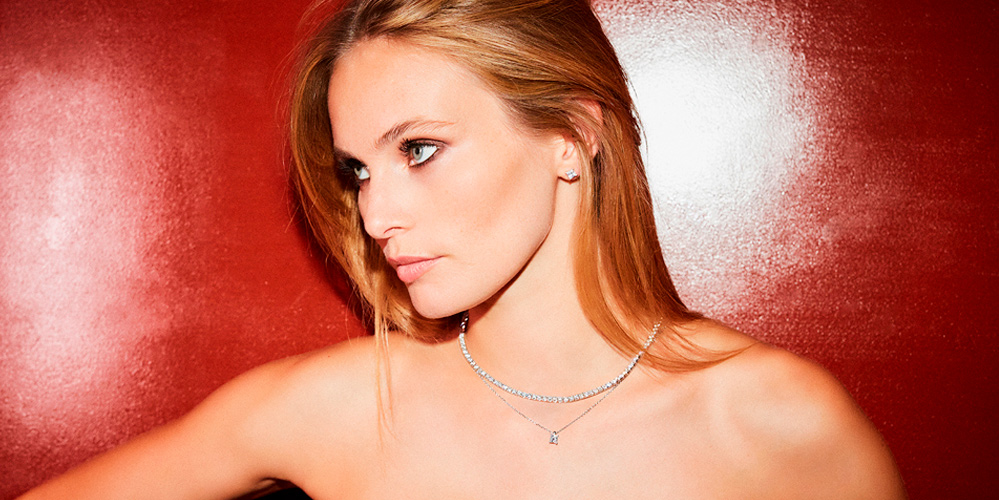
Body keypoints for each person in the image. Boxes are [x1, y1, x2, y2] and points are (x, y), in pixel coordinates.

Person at [20, 0, 907, 498]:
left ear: (571, 136)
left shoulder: (777, 424)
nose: (375, 213)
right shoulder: (340, 407)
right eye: (358, 170)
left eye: (419, 149)